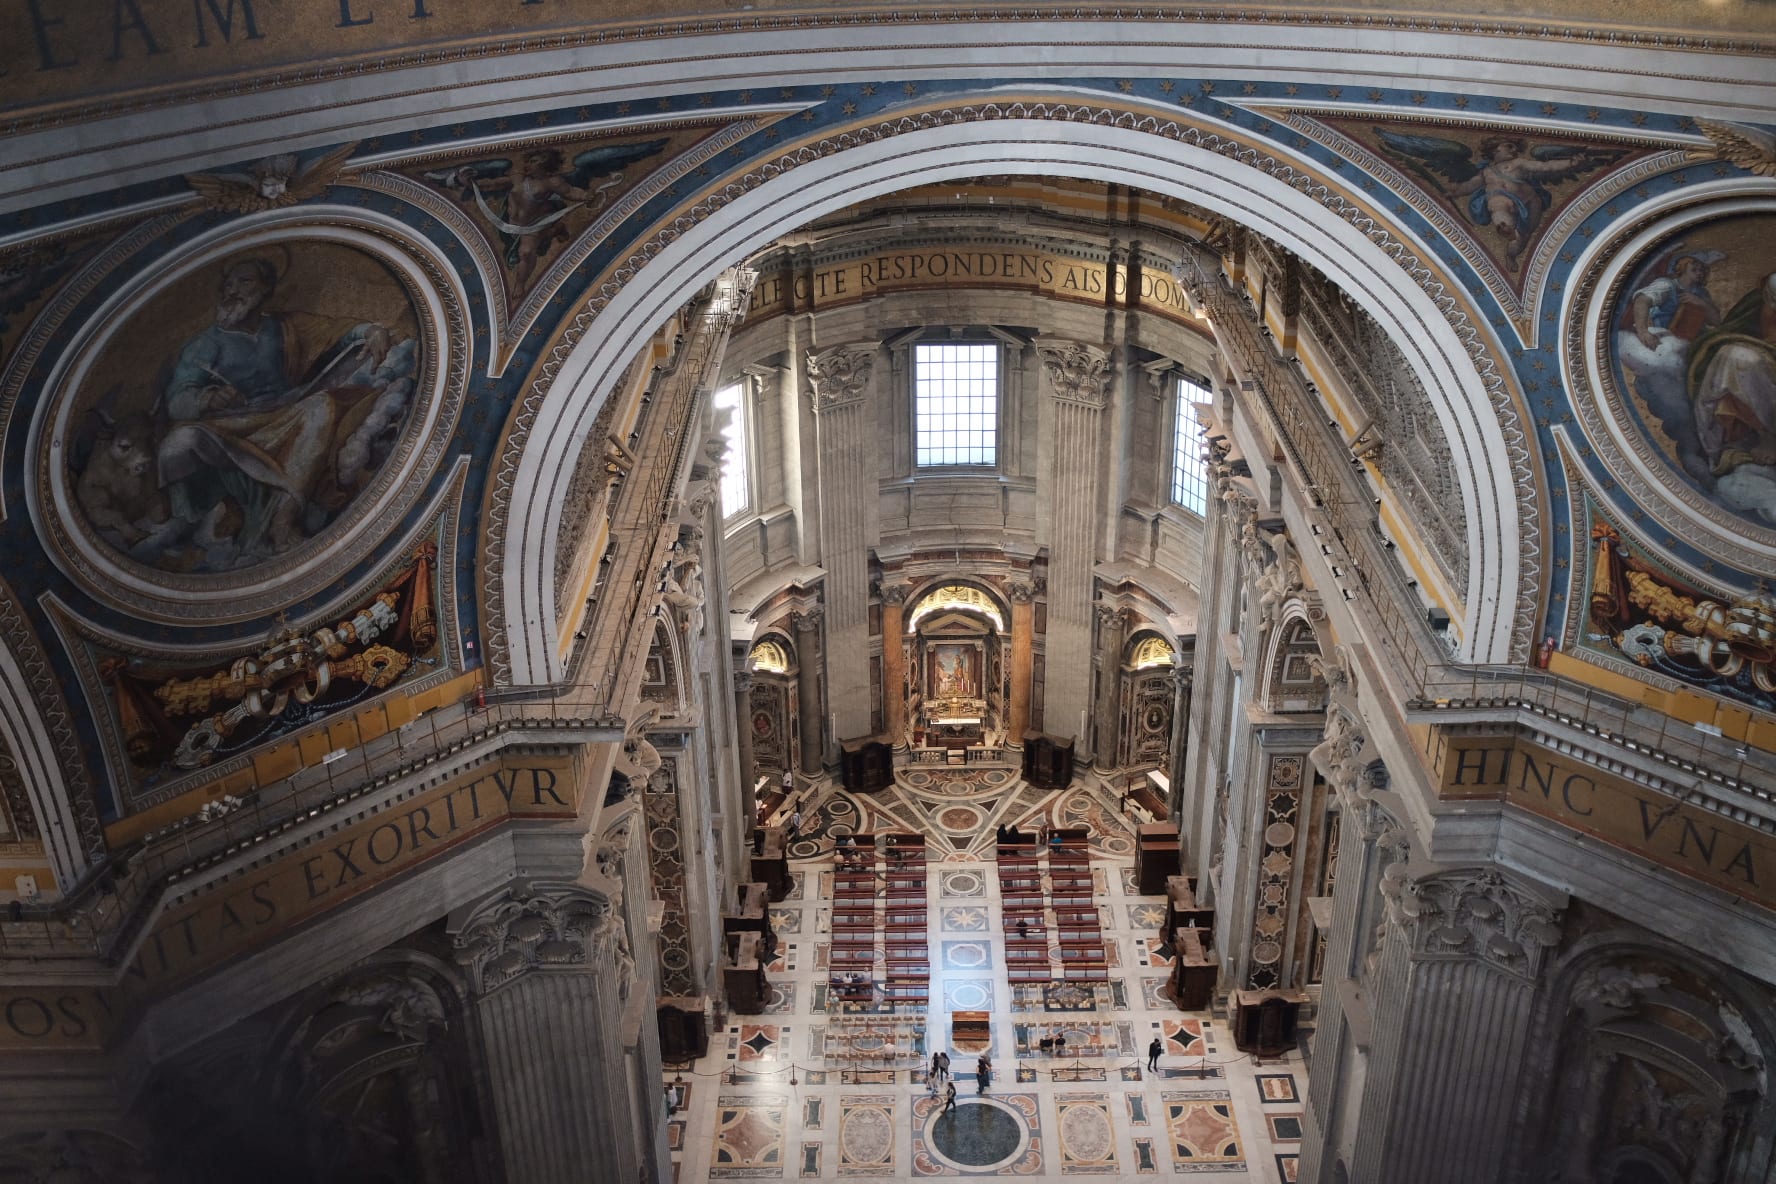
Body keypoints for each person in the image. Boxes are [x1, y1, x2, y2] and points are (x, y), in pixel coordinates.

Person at [152, 256, 417, 566]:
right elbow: (177, 399)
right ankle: (188, 521)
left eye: (244, 282)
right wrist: (208, 398)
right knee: (178, 443)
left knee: (320, 407)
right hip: (232, 426)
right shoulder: (203, 346)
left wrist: (370, 331)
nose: (232, 290)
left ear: (266, 289)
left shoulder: (285, 327)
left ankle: (284, 519)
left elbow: (336, 332)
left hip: (287, 412)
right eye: (228, 284)